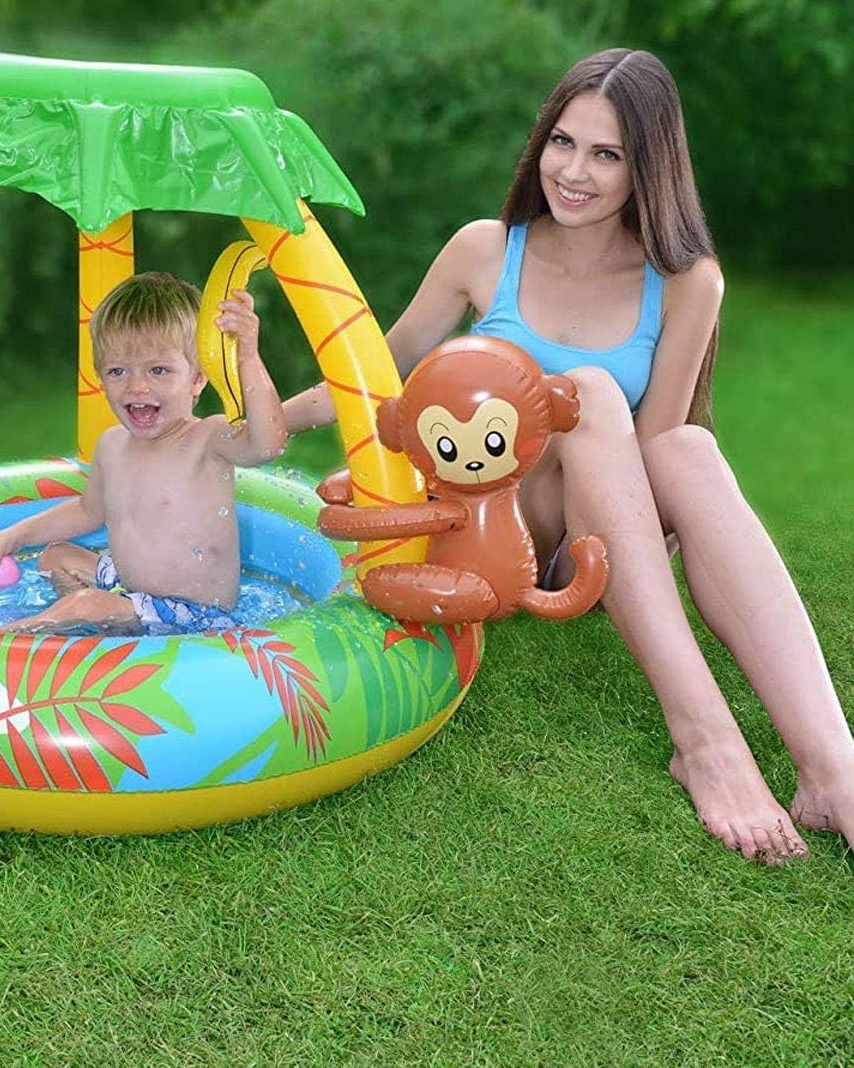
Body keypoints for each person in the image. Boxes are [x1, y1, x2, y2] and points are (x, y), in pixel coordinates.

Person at [285, 48, 854, 863]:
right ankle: (705, 740)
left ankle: (833, 767)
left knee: (689, 446)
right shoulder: (486, 250)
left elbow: (655, 452)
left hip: (596, 545)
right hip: (488, 533)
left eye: (606, 154)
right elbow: (380, 369)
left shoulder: (686, 281)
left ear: (648, 168)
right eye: (563, 142)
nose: (574, 172)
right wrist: (267, 425)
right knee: (588, 389)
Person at [0, 272, 287, 634]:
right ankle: (98, 635)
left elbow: (268, 444)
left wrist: (248, 357)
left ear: (198, 379)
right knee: (56, 557)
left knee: (87, 604)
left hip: (194, 615)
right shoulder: (112, 445)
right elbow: (88, 511)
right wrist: (15, 535)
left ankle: (8, 639)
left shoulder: (207, 439)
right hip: (131, 591)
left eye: (158, 370)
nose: (137, 386)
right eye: (118, 371)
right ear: (100, 378)